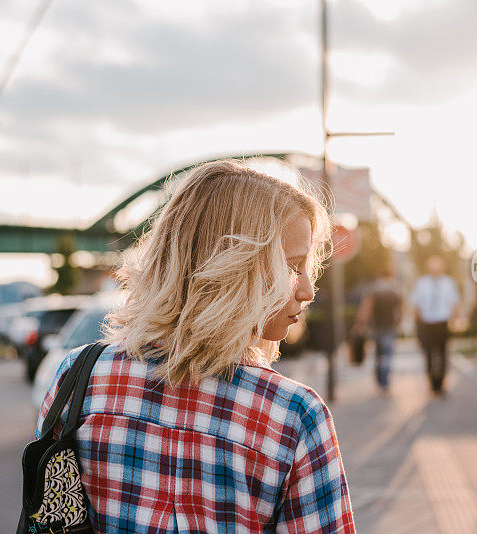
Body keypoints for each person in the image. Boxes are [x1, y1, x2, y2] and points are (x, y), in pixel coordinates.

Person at [35, 160, 356, 533]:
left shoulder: (77, 378)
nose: (307, 289)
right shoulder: (294, 417)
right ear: (231, 267)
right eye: (292, 266)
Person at [410, 254, 461, 395]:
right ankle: (432, 385)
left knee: (443, 354)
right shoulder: (422, 283)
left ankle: (441, 385)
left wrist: (454, 322)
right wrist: (419, 324)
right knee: (428, 354)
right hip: (427, 323)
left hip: (442, 323)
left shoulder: (448, 283)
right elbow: (416, 305)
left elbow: (455, 303)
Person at [351, 261, 403, 395]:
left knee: (379, 354)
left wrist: (360, 323)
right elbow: (401, 308)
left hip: (376, 327)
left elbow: (366, 307)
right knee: (387, 354)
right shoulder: (395, 289)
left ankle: (380, 381)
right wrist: (398, 322)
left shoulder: (374, 289)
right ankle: (385, 382)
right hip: (390, 326)